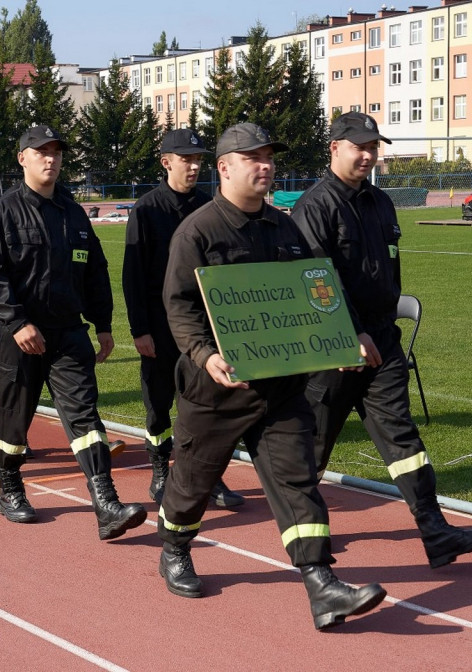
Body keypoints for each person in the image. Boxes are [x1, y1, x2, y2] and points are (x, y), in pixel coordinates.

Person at [158, 122, 387, 630]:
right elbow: (179, 306)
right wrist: (202, 354)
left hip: (282, 387)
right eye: (252, 158)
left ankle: (320, 582)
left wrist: (344, 337)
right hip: (217, 388)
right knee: (193, 482)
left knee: (297, 479)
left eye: (269, 158)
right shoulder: (197, 232)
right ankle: (174, 547)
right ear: (224, 168)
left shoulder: (286, 230)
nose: (265, 167)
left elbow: (316, 292)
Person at [291, 112, 472, 569]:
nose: (367, 155)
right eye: (358, 147)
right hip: (334, 346)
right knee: (313, 446)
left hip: (382, 339)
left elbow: (388, 269)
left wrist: (379, 327)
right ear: (335, 148)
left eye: (373, 147)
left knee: (402, 438)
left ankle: (435, 530)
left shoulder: (382, 204)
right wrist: (349, 333)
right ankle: (309, 544)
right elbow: (315, 281)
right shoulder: (315, 206)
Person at [0, 124, 146, 540]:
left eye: (55, 152)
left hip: (69, 334)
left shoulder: (74, 214)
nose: (50, 159)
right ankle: (10, 488)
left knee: (85, 417)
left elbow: (95, 273)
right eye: (40, 152)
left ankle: (105, 503)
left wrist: (104, 325)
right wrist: (16, 323)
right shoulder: (5, 212)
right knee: (14, 420)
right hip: (21, 338)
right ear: (23, 159)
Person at [122, 128, 244, 507]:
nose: (193, 166)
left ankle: (211, 476)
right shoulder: (147, 210)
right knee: (158, 403)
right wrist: (140, 330)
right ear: (166, 162)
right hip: (159, 326)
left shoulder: (212, 206)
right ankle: (161, 470)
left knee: (209, 405)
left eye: (197, 160)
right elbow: (133, 276)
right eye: (186, 159)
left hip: (205, 329)